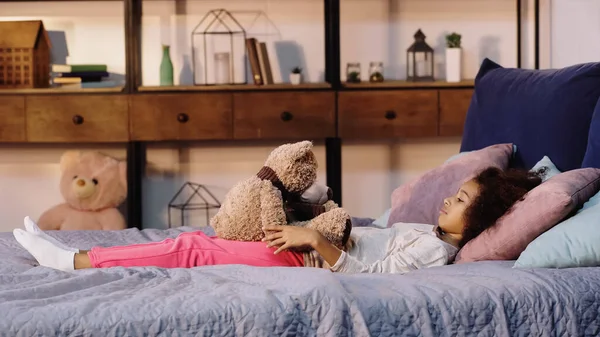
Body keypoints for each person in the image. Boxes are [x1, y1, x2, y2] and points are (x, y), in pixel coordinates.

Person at [13, 166, 544, 274]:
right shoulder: (424, 231)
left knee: (190, 250)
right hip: (311, 244)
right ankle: (74, 253)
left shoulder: (438, 251)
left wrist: (312, 236)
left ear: (481, 219)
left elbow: (374, 276)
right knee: (199, 236)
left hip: (306, 259)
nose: (449, 200)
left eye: (461, 200)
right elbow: (372, 241)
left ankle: (76, 260)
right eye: (454, 192)